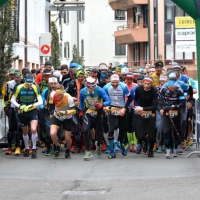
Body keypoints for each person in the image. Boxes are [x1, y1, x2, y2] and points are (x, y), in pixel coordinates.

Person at [11, 74, 43, 158]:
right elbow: (12, 100)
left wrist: (32, 105)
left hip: (32, 110)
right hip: (22, 111)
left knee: (33, 129)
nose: (29, 85)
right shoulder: (19, 87)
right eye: (27, 83)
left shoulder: (35, 87)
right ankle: (27, 148)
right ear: (24, 81)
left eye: (31, 83)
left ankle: (34, 148)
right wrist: (19, 106)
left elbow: (40, 101)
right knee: (25, 131)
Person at [79, 77, 111, 160]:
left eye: (92, 87)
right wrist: (81, 110)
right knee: (85, 130)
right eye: (88, 87)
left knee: (99, 133)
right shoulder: (83, 91)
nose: (90, 89)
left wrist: (102, 104)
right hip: (89, 112)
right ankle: (87, 151)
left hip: (99, 112)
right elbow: (81, 101)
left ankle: (98, 144)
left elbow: (108, 101)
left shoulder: (99, 90)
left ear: (95, 85)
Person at [104, 74, 132, 159]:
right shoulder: (106, 87)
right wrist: (105, 106)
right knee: (112, 128)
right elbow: (104, 98)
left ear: (119, 82)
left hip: (121, 108)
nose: (115, 84)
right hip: (112, 108)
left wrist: (124, 108)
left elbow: (130, 98)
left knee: (122, 130)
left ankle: (121, 144)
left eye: (117, 82)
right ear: (110, 81)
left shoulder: (123, 87)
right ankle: (112, 150)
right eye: (113, 82)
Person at [159, 79, 186, 158]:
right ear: (168, 86)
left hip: (176, 112)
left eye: (174, 88)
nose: (172, 89)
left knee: (177, 129)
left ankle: (175, 147)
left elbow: (182, 103)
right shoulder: (164, 90)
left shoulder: (179, 91)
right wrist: (161, 108)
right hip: (166, 112)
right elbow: (160, 101)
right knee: (166, 130)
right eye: (171, 88)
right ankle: (168, 148)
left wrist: (173, 106)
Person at [50, 84, 77, 158]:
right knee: (52, 134)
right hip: (57, 116)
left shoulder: (68, 97)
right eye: (58, 95)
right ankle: (57, 146)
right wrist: (53, 112)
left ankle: (68, 149)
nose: (59, 97)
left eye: (61, 95)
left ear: (63, 92)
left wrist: (65, 112)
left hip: (67, 118)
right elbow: (51, 106)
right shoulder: (52, 95)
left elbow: (74, 110)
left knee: (67, 138)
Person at [134, 76, 158, 157]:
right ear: (143, 83)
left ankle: (150, 149)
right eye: (145, 84)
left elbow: (155, 106)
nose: (147, 86)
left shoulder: (154, 91)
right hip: (141, 113)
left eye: (148, 84)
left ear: (151, 84)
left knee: (151, 135)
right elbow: (136, 100)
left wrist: (143, 108)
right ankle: (145, 142)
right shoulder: (138, 89)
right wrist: (137, 107)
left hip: (151, 113)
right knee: (140, 135)